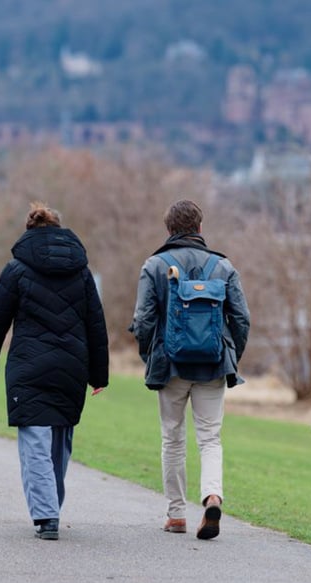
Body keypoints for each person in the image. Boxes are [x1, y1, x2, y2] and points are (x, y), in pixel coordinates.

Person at [0, 202, 109, 541]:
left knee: (35, 438)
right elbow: (96, 323)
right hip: (71, 365)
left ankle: (46, 514)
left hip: (28, 364)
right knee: (60, 439)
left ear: (29, 231)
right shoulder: (81, 272)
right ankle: (51, 509)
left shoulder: (17, 269)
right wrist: (100, 374)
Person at [129, 199, 250, 540]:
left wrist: (149, 357)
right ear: (200, 228)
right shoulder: (223, 267)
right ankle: (212, 496)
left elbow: (143, 321)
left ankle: (176, 514)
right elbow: (241, 319)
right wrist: (230, 354)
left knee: (173, 437)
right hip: (213, 365)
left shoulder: (154, 265)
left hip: (170, 366)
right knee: (210, 438)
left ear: (169, 230)